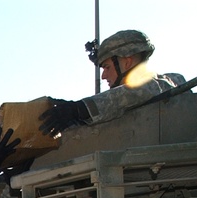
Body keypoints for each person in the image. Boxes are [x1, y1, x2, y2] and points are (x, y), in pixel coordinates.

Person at [40, 29, 186, 136]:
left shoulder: (169, 82)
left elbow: (137, 93)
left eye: (107, 67)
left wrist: (79, 109)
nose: (103, 76)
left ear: (127, 62)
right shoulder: (118, 108)